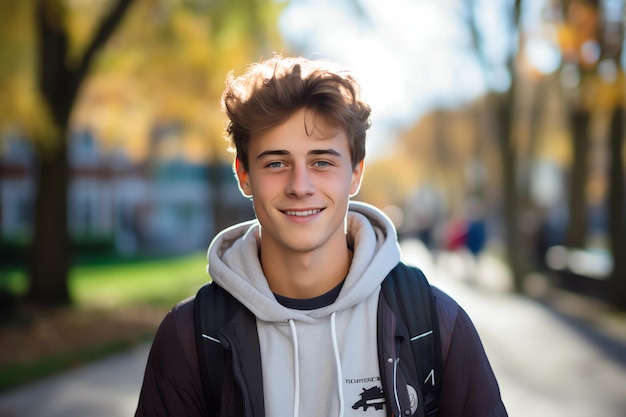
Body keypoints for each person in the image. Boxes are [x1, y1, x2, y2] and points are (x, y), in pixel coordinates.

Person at [134, 55, 508, 417]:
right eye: (276, 163)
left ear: (356, 173)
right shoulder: (192, 338)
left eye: (322, 162)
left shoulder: (435, 325)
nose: (300, 186)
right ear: (244, 175)